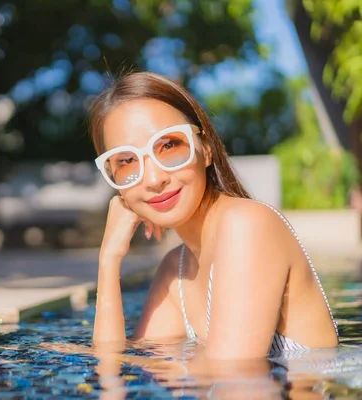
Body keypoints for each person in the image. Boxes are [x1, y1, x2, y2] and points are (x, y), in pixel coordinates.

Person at [90, 71, 339, 360]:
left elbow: (232, 376)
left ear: (205, 148)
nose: (153, 178)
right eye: (127, 160)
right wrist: (109, 258)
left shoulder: (247, 225)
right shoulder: (175, 268)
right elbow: (112, 366)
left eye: (169, 145)